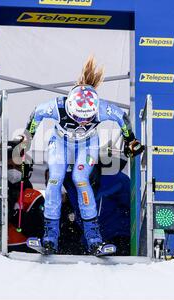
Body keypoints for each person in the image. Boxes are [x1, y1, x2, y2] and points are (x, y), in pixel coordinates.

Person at [19, 56, 143, 255]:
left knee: (80, 179)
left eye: (87, 118)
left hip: (87, 145)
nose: (82, 122)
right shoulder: (57, 106)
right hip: (60, 143)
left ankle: (94, 238)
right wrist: (26, 141)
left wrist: (131, 141)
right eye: (78, 117)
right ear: (69, 106)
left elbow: (123, 118)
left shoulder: (102, 109)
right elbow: (36, 114)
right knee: (55, 179)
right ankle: (50, 237)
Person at [7, 144, 44, 252]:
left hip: (24, 251)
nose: (13, 171)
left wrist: (14, 213)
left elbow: (39, 229)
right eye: (9, 167)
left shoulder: (34, 196)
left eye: (18, 167)